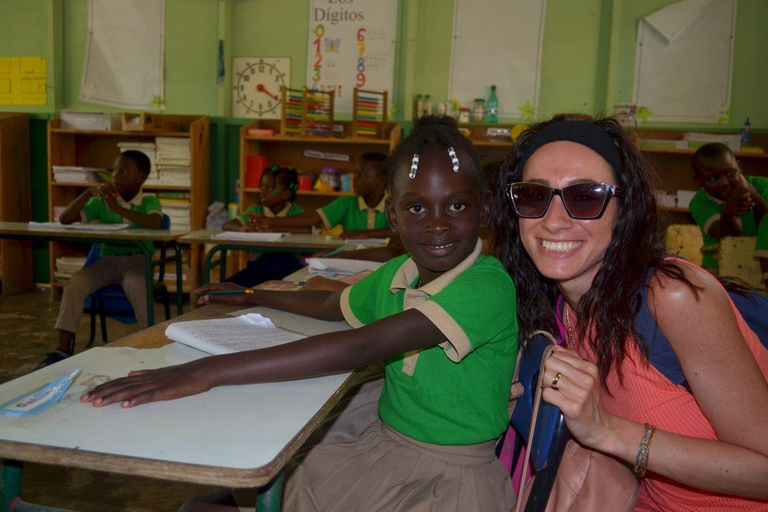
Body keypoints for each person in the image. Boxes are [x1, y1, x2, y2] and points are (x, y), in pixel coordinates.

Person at [81, 116, 519, 512]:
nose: (438, 223)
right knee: (257, 464)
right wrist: (257, 295)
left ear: (482, 207)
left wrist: (207, 370)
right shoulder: (401, 271)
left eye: (457, 206)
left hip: (447, 481)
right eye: (417, 208)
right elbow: (332, 304)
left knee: (264, 477)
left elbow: (360, 344)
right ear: (392, 216)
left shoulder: (485, 285)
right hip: (387, 442)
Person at [490, 115, 768, 510]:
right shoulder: (555, 307)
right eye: (534, 196)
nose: (553, 221)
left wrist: (608, 431)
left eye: (585, 196)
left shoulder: (670, 298)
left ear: (624, 209)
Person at [40, 150, 163, 367]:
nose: (116, 175)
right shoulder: (101, 202)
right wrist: (87, 194)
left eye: (125, 171)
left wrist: (116, 209)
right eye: (114, 170)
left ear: (142, 177)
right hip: (108, 260)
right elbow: (66, 219)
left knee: (136, 283)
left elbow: (154, 223)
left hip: (138, 259)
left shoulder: (149, 201)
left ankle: (148, 343)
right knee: (76, 282)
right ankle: (62, 350)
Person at [255, 152, 393, 240]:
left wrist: (368, 234)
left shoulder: (393, 204)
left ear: (381, 180)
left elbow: (401, 232)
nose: (355, 179)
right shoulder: (347, 203)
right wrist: (270, 221)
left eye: (361, 175)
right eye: (355, 174)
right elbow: (312, 218)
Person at [690, 142, 768, 279]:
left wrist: (755, 199)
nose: (724, 183)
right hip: (717, 265)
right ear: (698, 181)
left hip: (759, 266)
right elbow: (725, 235)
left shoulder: (763, 185)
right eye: (713, 178)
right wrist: (727, 214)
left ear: (739, 167)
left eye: (730, 173)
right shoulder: (699, 202)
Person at [222, 166, 307, 287]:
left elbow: (306, 230)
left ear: (286, 194)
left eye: (269, 188)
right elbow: (227, 225)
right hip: (258, 270)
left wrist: (273, 229)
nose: (263, 191)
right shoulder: (255, 211)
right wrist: (241, 228)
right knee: (229, 287)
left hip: (290, 271)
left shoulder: (296, 211)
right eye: (261, 187)